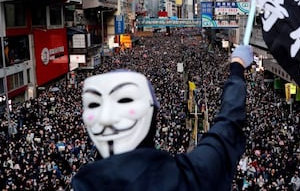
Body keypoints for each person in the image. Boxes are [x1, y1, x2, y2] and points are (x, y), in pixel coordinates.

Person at [71, 45, 254, 190]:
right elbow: (227, 125)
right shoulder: (190, 177)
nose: (107, 117)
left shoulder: (81, 183)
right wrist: (236, 67)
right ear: (154, 116)